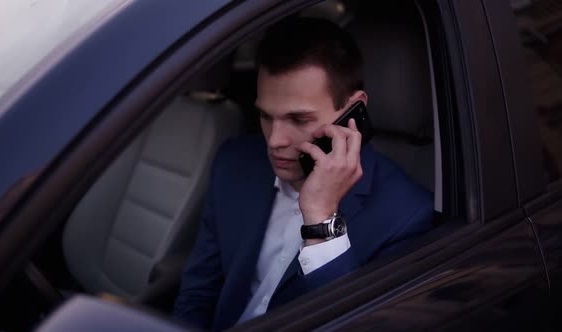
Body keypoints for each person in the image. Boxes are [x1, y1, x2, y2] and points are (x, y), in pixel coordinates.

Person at [173, 17, 433, 331]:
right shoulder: (234, 162)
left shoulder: (407, 217)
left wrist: (322, 221)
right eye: (266, 116)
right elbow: (198, 293)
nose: (274, 140)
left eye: (299, 119)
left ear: (352, 111)